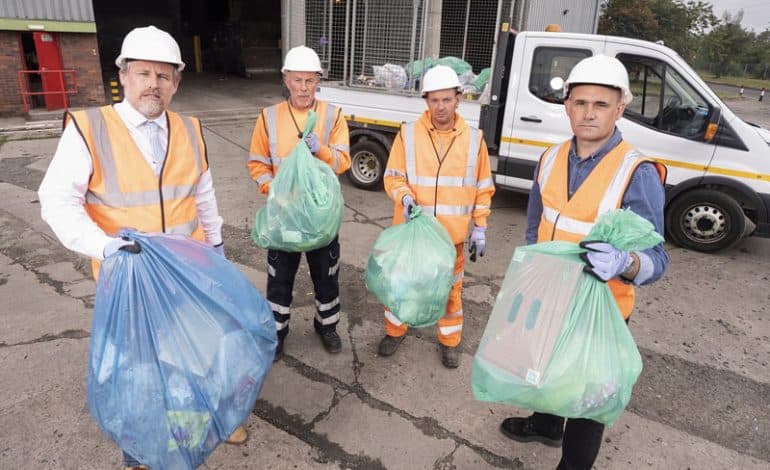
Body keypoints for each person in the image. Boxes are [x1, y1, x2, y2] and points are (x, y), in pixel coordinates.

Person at [37, 25, 248, 469]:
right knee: (139, 376)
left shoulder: (190, 129)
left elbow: (203, 197)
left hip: (190, 276)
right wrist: (104, 247)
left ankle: (197, 432)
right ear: (124, 75)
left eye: (164, 76)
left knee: (195, 362)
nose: (154, 84)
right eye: (144, 73)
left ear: (176, 82)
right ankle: (139, 457)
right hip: (129, 280)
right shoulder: (90, 128)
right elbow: (57, 201)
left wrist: (219, 248)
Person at [497, 54, 669, 469]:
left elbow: (656, 260)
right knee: (544, 370)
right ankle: (545, 424)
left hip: (600, 308)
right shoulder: (550, 158)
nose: (588, 113)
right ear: (566, 105)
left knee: (588, 399)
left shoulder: (636, 172)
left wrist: (625, 262)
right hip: (551, 295)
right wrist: (528, 269)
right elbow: (536, 225)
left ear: (620, 108)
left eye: (601, 104)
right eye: (580, 103)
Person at [377, 65, 495, 369]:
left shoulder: (474, 139)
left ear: (459, 99)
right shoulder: (408, 135)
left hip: (451, 240)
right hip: (414, 235)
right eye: (434, 100)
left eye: (446, 100)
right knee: (403, 286)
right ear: (426, 101)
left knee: (450, 293)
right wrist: (403, 196)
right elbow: (393, 176)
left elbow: (483, 187)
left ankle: (449, 342)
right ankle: (395, 331)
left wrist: (480, 226)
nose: (440, 107)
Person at [247, 46, 351, 360]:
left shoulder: (332, 116)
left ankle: (327, 326)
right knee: (280, 279)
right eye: (297, 81)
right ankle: (277, 333)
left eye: (310, 81)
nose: (304, 88)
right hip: (285, 219)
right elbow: (257, 163)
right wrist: (273, 191)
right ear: (286, 79)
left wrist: (321, 150)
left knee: (326, 276)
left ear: (319, 80)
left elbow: (343, 161)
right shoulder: (268, 117)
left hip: (320, 218)